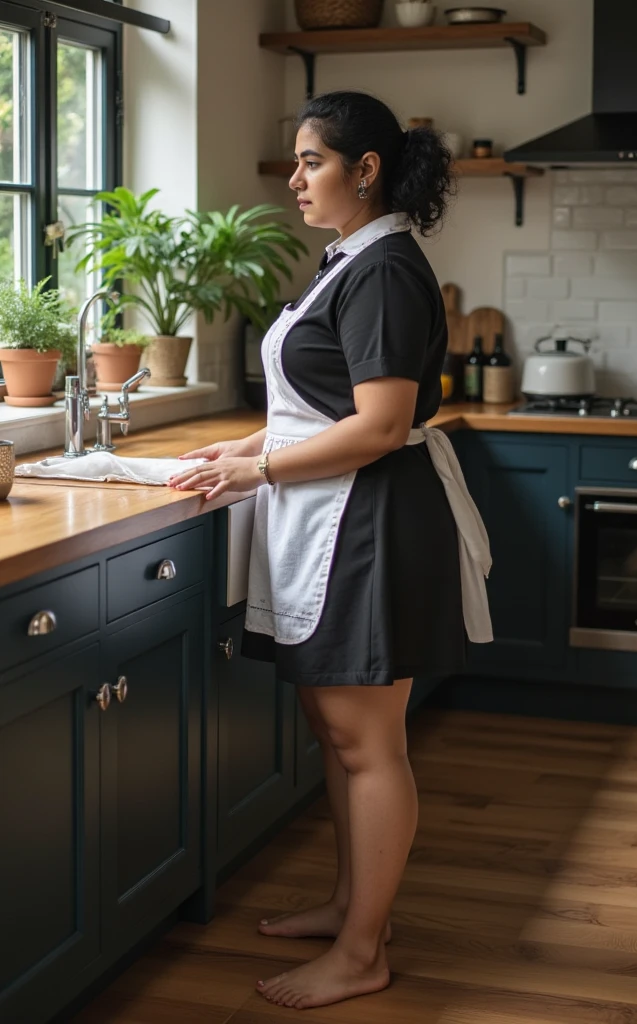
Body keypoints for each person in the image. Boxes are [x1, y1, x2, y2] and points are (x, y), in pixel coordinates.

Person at [168, 90, 492, 1011]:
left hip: (369, 524)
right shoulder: (349, 258)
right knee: (337, 734)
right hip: (339, 516)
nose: (295, 179)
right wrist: (240, 450)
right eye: (298, 161)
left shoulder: (383, 268)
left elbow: (382, 427)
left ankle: (362, 955)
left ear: (366, 168)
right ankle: (358, 907)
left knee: (367, 743)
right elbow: (321, 406)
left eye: (312, 162)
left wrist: (260, 469)